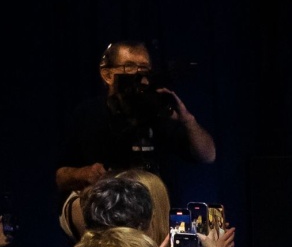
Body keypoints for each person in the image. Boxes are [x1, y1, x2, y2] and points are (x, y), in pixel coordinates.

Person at [57, 41, 217, 194]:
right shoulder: (88, 113)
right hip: (107, 204)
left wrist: (188, 120)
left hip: (154, 202)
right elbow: (60, 177)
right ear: (107, 75)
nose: (138, 74)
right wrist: (84, 173)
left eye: (143, 67)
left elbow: (207, 156)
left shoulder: (158, 110)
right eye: (129, 66)